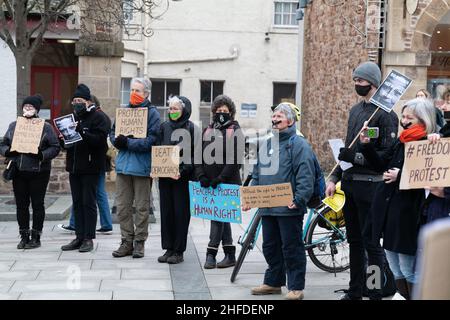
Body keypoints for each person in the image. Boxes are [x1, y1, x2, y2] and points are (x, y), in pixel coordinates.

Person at [326, 61, 399, 300]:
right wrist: (335, 176)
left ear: (374, 83)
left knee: (372, 244)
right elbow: (347, 148)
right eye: (355, 80)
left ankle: (375, 289)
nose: (357, 84)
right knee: (354, 241)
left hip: (371, 186)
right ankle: (356, 290)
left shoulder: (386, 115)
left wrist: (357, 155)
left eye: (361, 80)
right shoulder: (355, 111)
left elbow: (384, 159)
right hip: (350, 184)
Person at [359, 98, 437, 300]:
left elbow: (427, 177)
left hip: (408, 213)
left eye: (409, 117)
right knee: (395, 267)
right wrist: (366, 145)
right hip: (390, 212)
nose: (403, 121)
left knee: (408, 267)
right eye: (403, 116)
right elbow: (380, 165)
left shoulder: (428, 142)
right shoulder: (401, 141)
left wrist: (399, 175)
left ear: (423, 119)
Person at [243, 104, 315, 300]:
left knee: (291, 248)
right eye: (273, 116)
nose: (275, 119)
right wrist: (251, 197)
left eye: (280, 116)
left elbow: (306, 176)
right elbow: (257, 173)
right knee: (270, 246)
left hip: (289, 207)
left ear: (290, 121)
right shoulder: (267, 144)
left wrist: (299, 199)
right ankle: (273, 282)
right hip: (267, 207)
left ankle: (296, 287)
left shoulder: (299, 144)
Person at [0, 95, 60, 249]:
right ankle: (24, 235)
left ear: (37, 110)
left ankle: (36, 236)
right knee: (21, 205)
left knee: (38, 205)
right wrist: (8, 152)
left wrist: (42, 155)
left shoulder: (45, 127)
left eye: (31, 107)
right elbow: (3, 143)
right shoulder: (14, 125)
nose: (27, 109)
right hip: (19, 170)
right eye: (25, 106)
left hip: (39, 171)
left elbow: (55, 147)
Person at [110, 77, 160, 259]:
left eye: (137, 91)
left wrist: (128, 142)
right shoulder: (124, 111)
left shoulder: (152, 114)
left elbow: (152, 140)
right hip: (123, 166)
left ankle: (139, 242)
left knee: (141, 207)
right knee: (122, 207)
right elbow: (113, 131)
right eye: (132, 90)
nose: (133, 93)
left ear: (146, 93)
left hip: (142, 167)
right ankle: (126, 241)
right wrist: (117, 140)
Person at [60, 84, 111, 253]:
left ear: (88, 101)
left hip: (91, 167)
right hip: (74, 167)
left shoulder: (98, 117)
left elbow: (99, 142)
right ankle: (79, 236)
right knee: (77, 202)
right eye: (74, 101)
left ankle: (88, 238)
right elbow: (69, 144)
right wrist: (63, 139)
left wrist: (81, 131)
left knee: (88, 202)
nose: (76, 103)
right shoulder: (72, 117)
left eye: (79, 100)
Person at [195, 94, 244, 269]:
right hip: (208, 182)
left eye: (225, 110)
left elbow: (235, 159)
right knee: (222, 218)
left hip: (227, 182)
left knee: (217, 217)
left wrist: (220, 178)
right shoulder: (207, 130)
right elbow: (198, 155)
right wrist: (201, 175)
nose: (221, 113)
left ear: (231, 112)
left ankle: (211, 253)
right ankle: (230, 254)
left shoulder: (235, 130)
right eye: (218, 110)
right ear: (214, 111)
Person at [157, 96, 198, 264]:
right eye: (170, 109)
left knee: (180, 214)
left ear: (184, 110)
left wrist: (182, 170)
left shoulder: (191, 128)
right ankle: (168, 248)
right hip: (165, 177)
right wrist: (158, 167)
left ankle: (178, 250)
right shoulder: (164, 127)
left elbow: (195, 154)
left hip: (182, 179)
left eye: (175, 109)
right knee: (166, 213)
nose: (171, 112)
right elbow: (158, 149)